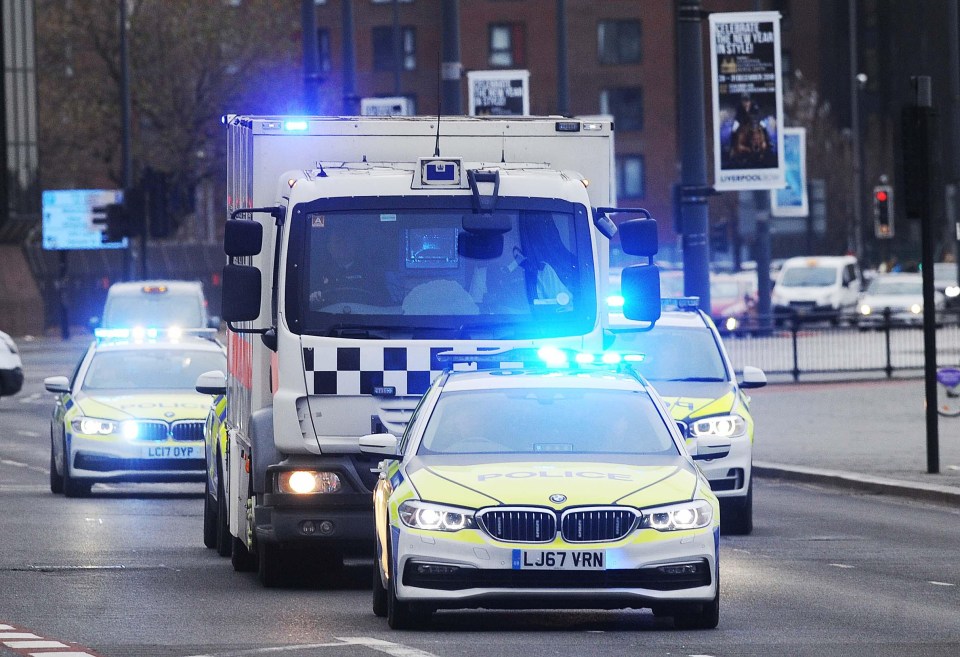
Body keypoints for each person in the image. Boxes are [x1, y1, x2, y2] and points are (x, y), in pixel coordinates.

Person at [309, 229, 389, 309]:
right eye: (338, 242)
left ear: (356, 245)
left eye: (347, 242)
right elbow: (307, 302)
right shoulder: (318, 273)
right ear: (329, 248)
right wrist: (313, 297)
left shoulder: (371, 273)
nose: (343, 245)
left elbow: (384, 302)